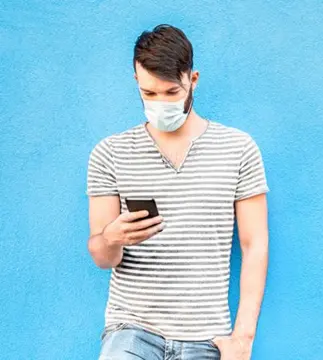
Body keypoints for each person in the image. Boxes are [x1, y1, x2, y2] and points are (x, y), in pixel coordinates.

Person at [87, 24, 269, 360]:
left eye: (171, 93)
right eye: (149, 94)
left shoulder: (238, 149)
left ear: (193, 80)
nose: (160, 104)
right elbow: (102, 256)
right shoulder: (110, 152)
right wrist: (112, 238)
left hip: (206, 336)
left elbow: (254, 244)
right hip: (132, 331)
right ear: (137, 83)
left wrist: (243, 338)